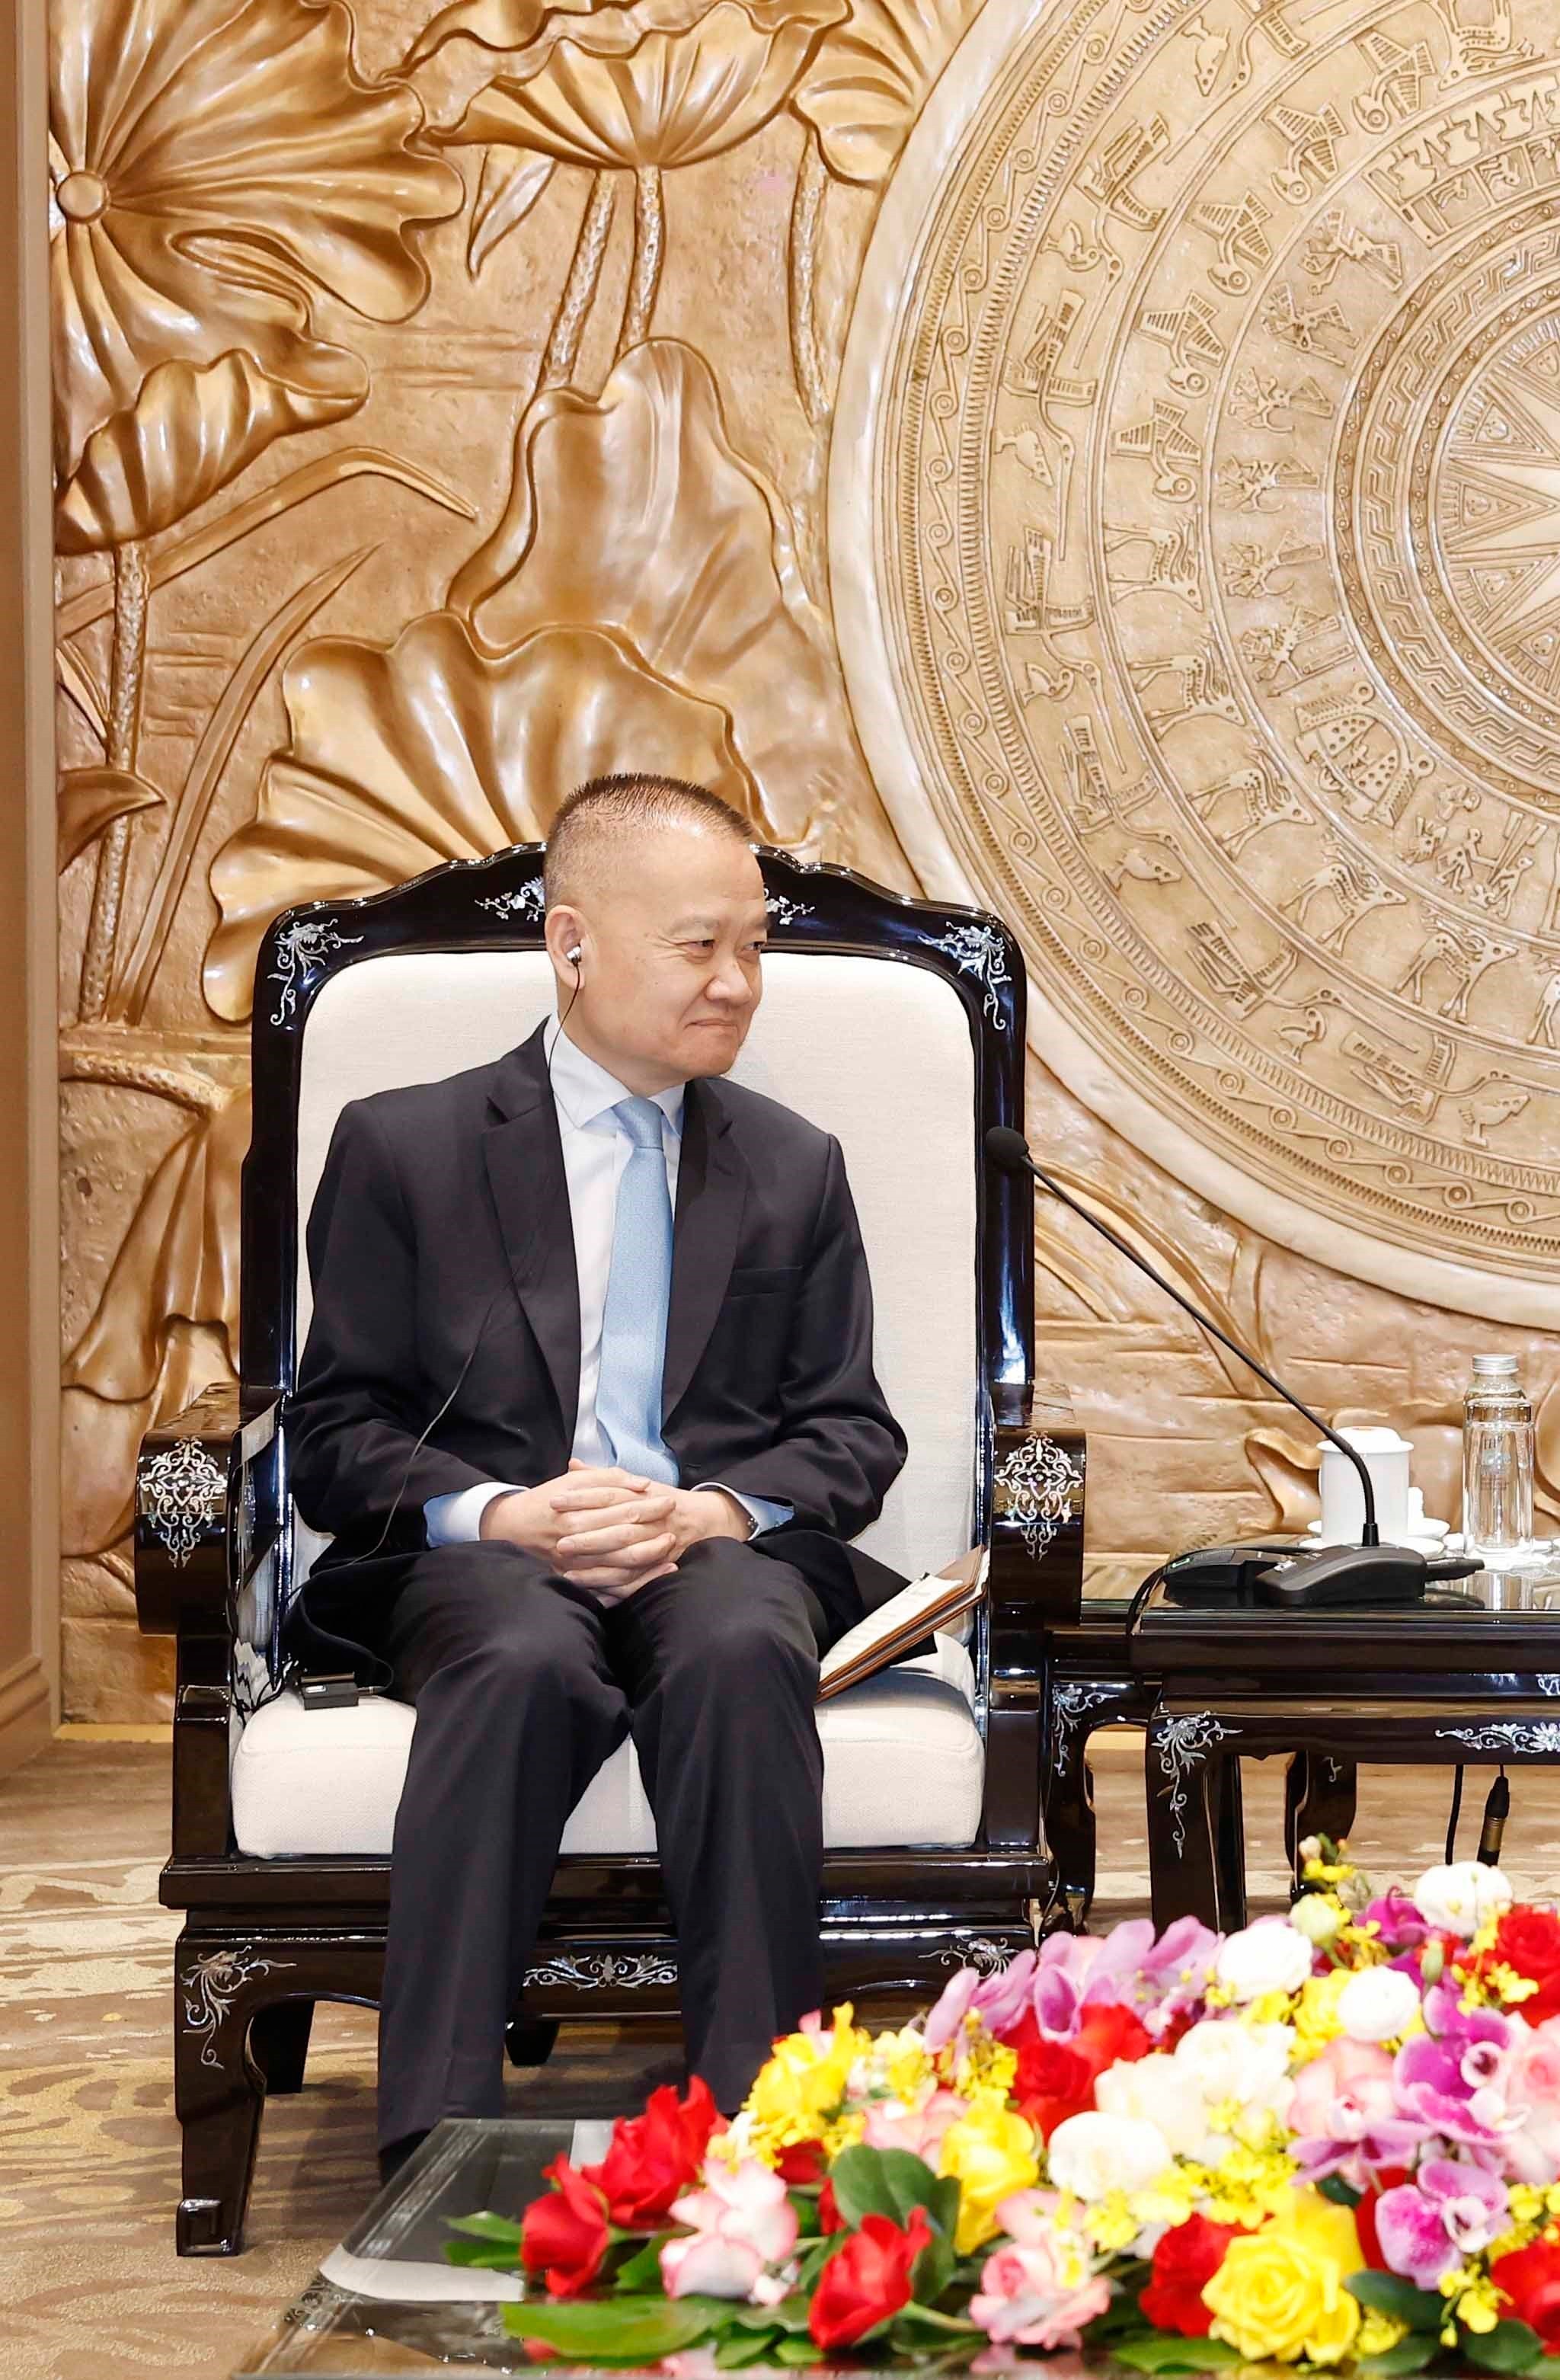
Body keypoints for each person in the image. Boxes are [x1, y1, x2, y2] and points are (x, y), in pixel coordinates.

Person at [288, 775, 907, 2177]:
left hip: (709, 1555)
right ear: (572, 944)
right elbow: (334, 1434)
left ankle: (768, 2141)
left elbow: (851, 1431)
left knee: (745, 1641)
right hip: (483, 1562)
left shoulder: (794, 1168)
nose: (740, 985)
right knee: (515, 1658)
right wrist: (501, 1511)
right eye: (701, 948)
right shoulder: (410, 1147)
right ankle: (434, 2155)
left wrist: (711, 1510)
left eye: (754, 947)